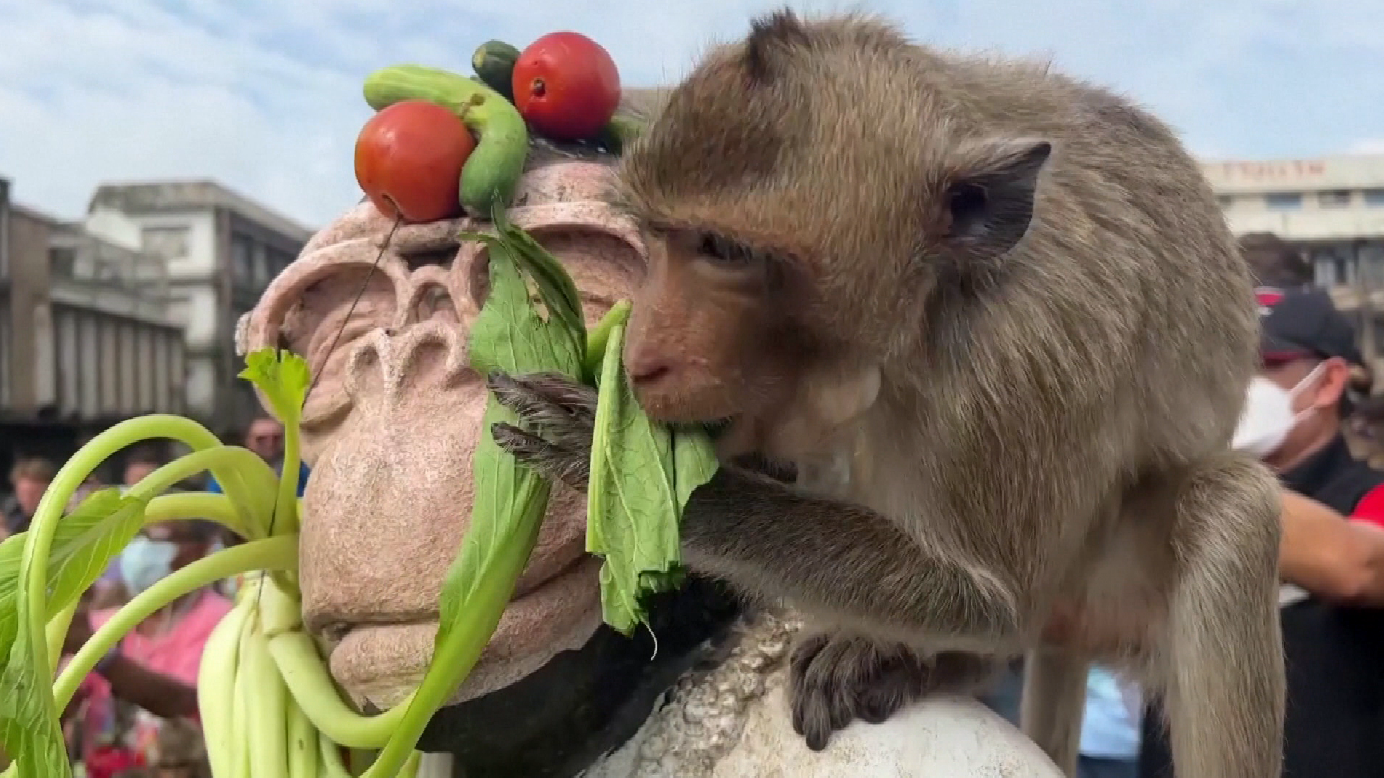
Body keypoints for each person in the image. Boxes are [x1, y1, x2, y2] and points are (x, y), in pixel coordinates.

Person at [1138, 285, 1384, 778]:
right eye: (1219, 361)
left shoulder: (1368, 495)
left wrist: (1175, 484)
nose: (1232, 384)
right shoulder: (1164, 509)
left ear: (1328, 382)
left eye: (1261, 364)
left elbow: (1357, 565)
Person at [62, 518, 232, 775]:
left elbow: (182, 702)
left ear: (199, 550)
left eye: (158, 538)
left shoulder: (222, 621)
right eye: (139, 536)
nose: (143, 548)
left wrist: (95, 652)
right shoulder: (110, 620)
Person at [205, 415, 309, 498]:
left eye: (276, 438)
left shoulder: (300, 469)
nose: (270, 443)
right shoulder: (230, 470)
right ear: (248, 440)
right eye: (261, 439)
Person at [3, 456, 57, 537]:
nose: (27, 499)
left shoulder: (58, 521)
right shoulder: (12, 514)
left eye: (34, 493)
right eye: (23, 493)